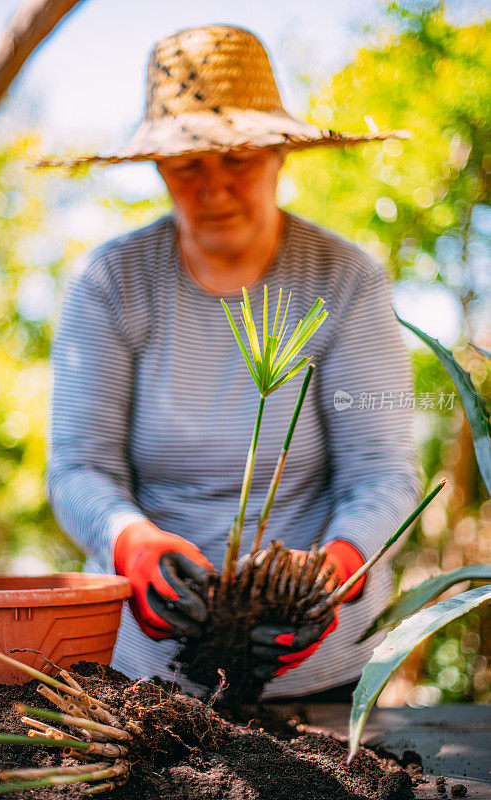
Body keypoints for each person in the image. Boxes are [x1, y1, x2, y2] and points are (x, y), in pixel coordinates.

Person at [47, 24, 421, 699]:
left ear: (280, 154)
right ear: (158, 169)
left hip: (317, 657)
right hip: (149, 660)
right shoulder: (112, 282)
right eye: (187, 164)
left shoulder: (345, 280)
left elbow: (384, 472)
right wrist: (130, 544)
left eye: (239, 157)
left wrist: (328, 576)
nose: (213, 185)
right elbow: (79, 466)